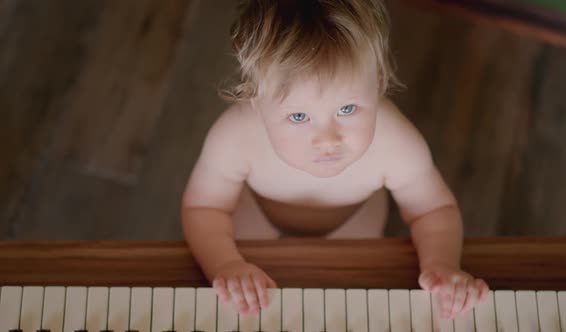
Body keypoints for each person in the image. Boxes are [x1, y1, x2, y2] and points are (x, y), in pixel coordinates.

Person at [181, 0, 489, 320]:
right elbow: (206, 208)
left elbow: (433, 209)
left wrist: (441, 264)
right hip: (259, 213)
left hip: (352, 220)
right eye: (299, 116)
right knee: (247, 292)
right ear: (255, 99)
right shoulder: (236, 137)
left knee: (347, 295)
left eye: (347, 109)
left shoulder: (395, 143)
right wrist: (226, 264)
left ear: (379, 82)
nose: (328, 140)